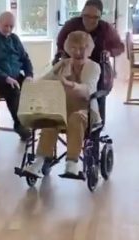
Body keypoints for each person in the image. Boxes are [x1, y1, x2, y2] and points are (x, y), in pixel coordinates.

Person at [22, 31, 101, 179]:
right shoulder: (62, 64)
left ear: (90, 50)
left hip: (86, 111)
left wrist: (69, 84)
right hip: (63, 109)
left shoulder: (94, 67)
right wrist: (31, 83)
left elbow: (88, 89)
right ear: (68, 49)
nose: (78, 52)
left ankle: (72, 163)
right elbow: (45, 80)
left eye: (83, 48)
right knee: (51, 119)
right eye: (74, 48)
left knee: (75, 118)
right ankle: (38, 162)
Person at [56, 0, 124, 120]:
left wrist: (109, 52)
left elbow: (119, 47)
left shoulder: (106, 28)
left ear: (100, 16)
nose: (91, 20)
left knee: (95, 94)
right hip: (73, 64)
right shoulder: (71, 25)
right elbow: (60, 43)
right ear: (82, 13)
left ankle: (95, 125)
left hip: (97, 67)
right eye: (87, 16)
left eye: (95, 17)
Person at [0, 11, 34, 141]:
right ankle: (20, 125)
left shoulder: (14, 39)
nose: (8, 29)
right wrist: (5, 77)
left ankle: (30, 122)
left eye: (11, 27)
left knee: (32, 88)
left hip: (14, 75)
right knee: (13, 89)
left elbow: (25, 59)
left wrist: (29, 75)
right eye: (5, 26)